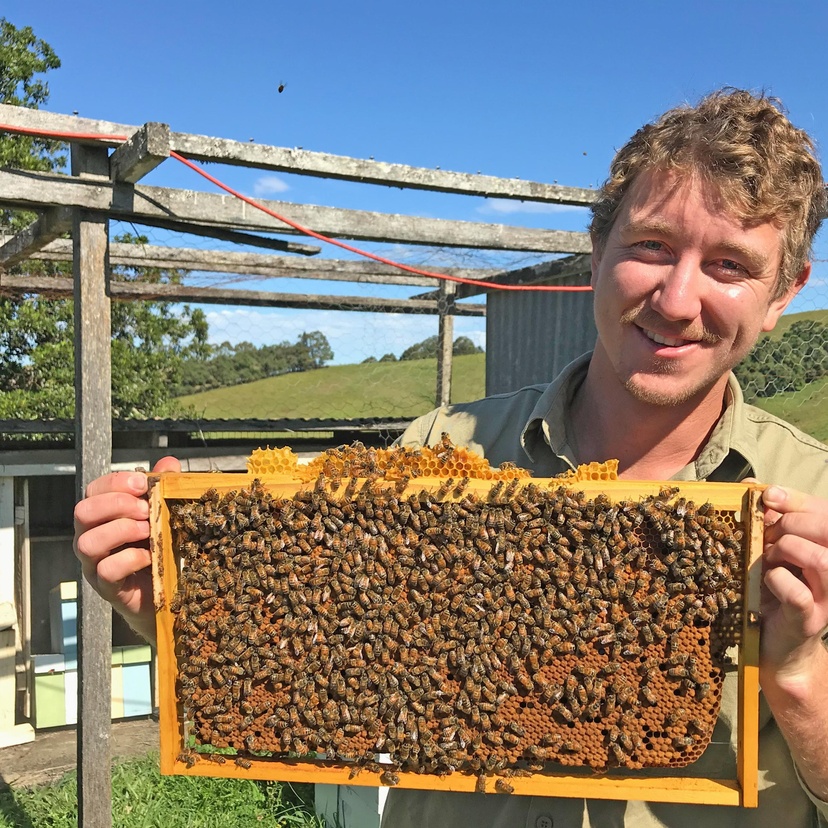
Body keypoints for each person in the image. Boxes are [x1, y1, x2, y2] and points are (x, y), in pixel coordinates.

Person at [74, 88, 828, 827]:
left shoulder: (814, 498)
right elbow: (319, 677)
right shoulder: (436, 456)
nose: (676, 298)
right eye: (651, 247)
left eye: (731, 265)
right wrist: (180, 609)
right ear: (598, 253)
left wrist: (797, 674)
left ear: (783, 293)